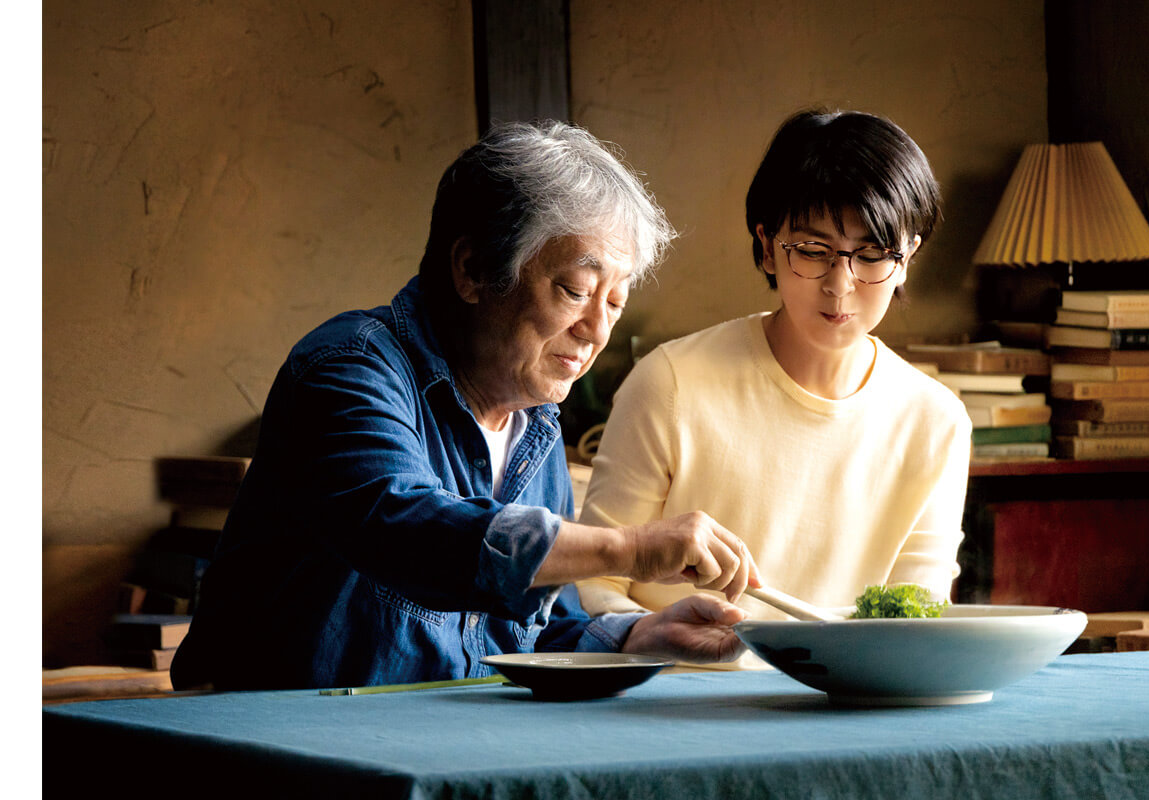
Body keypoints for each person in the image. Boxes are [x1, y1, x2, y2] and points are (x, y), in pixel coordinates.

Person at [171, 121, 759, 691]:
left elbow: (534, 636)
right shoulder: (348, 368)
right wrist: (626, 549)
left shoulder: (535, 425)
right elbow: (407, 531)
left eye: (615, 302)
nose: (595, 331)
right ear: (474, 269)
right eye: (576, 291)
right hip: (286, 753)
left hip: (440, 754)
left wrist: (640, 636)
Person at [575, 109, 971, 660]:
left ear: (908, 259)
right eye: (812, 251)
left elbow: (916, 618)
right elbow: (587, 586)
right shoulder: (671, 384)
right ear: (767, 246)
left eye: (873, 255)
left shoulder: (935, 421)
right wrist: (651, 633)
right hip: (671, 705)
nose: (840, 285)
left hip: (843, 714)